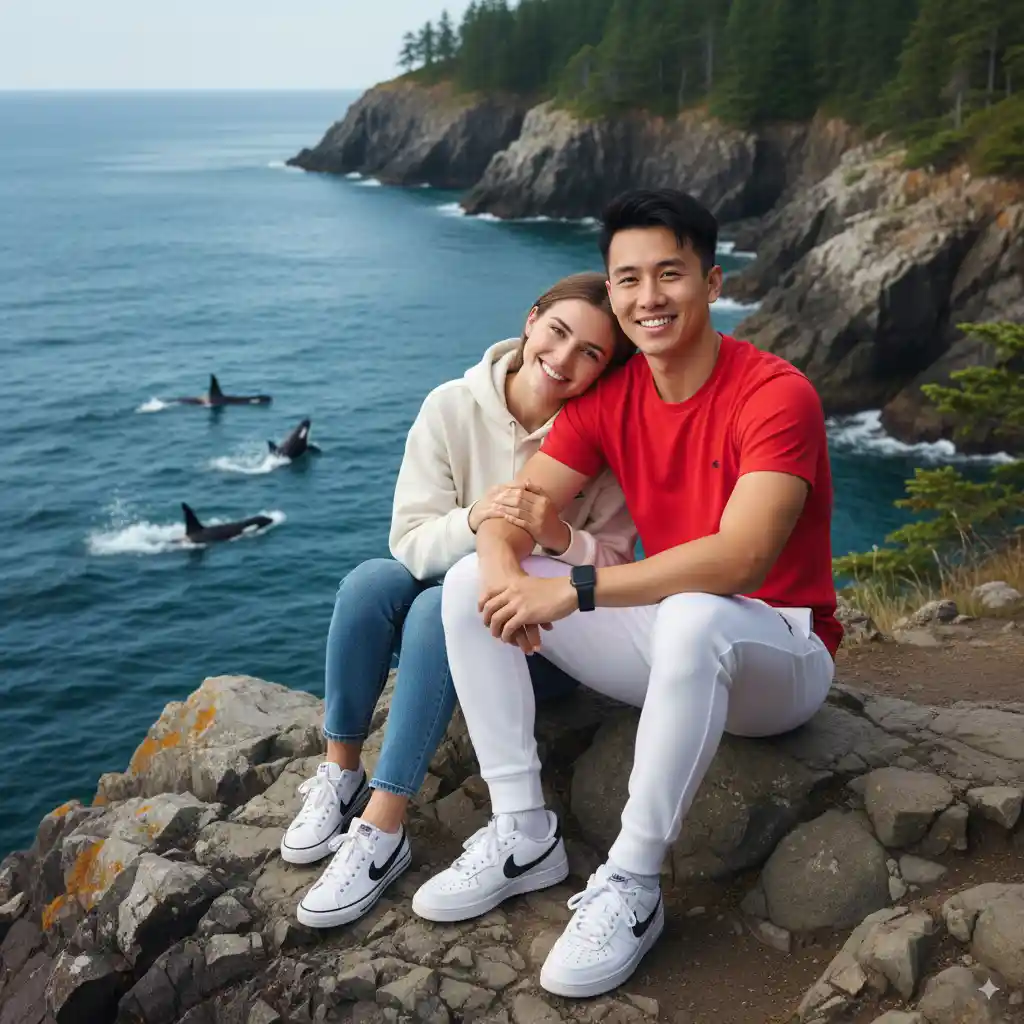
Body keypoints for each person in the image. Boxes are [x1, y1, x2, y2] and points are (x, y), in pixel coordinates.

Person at [413, 188, 843, 999]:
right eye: (628, 279)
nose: (649, 297)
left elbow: (743, 558)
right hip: (674, 637)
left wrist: (576, 589)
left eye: (669, 274)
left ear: (712, 282)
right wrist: (503, 569)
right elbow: (514, 508)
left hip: (780, 651)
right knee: (470, 579)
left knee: (694, 616)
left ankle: (633, 883)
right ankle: (522, 831)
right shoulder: (610, 398)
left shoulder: (776, 394)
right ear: (610, 291)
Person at [280, 271, 639, 930]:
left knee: (434, 609)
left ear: (605, 368)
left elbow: (615, 566)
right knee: (370, 582)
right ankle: (341, 773)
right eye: (558, 332)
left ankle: (383, 826)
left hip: (538, 645)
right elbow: (409, 542)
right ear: (531, 320)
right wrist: (479, 518)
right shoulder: (451, 405)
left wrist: (554, 535)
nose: (563, 359)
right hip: (454, 608)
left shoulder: (600, 438)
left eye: (590, 353)